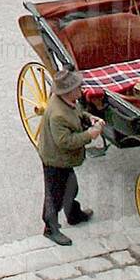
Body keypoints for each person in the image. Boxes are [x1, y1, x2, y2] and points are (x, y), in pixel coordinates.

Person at [38, 72, 101, 243]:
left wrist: (90, 118)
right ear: (68, 92)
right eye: (77, 87)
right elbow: (65, 142)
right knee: (55, 195)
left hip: (62, 158)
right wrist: (89, 134)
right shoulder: (58, 115)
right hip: (55, 159)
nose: (81, 88)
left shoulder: (68, 101)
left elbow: (78, 112)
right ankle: (50, 228)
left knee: (71, 186)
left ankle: (73, 214)